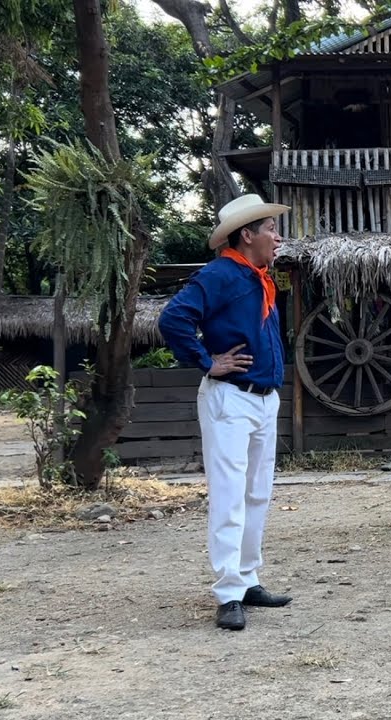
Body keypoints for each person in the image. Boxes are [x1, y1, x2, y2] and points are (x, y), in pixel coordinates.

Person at [158, 194, 294, 630]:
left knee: (257, 493)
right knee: (230, 493)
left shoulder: (259, 277)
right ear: (247, 234)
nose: (277, 235)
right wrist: (206, 360)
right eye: (270, 228)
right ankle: (228, 591)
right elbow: (173, 318)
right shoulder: (219, 274)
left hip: (262, 399)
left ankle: (248, 578)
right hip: (230, 397)